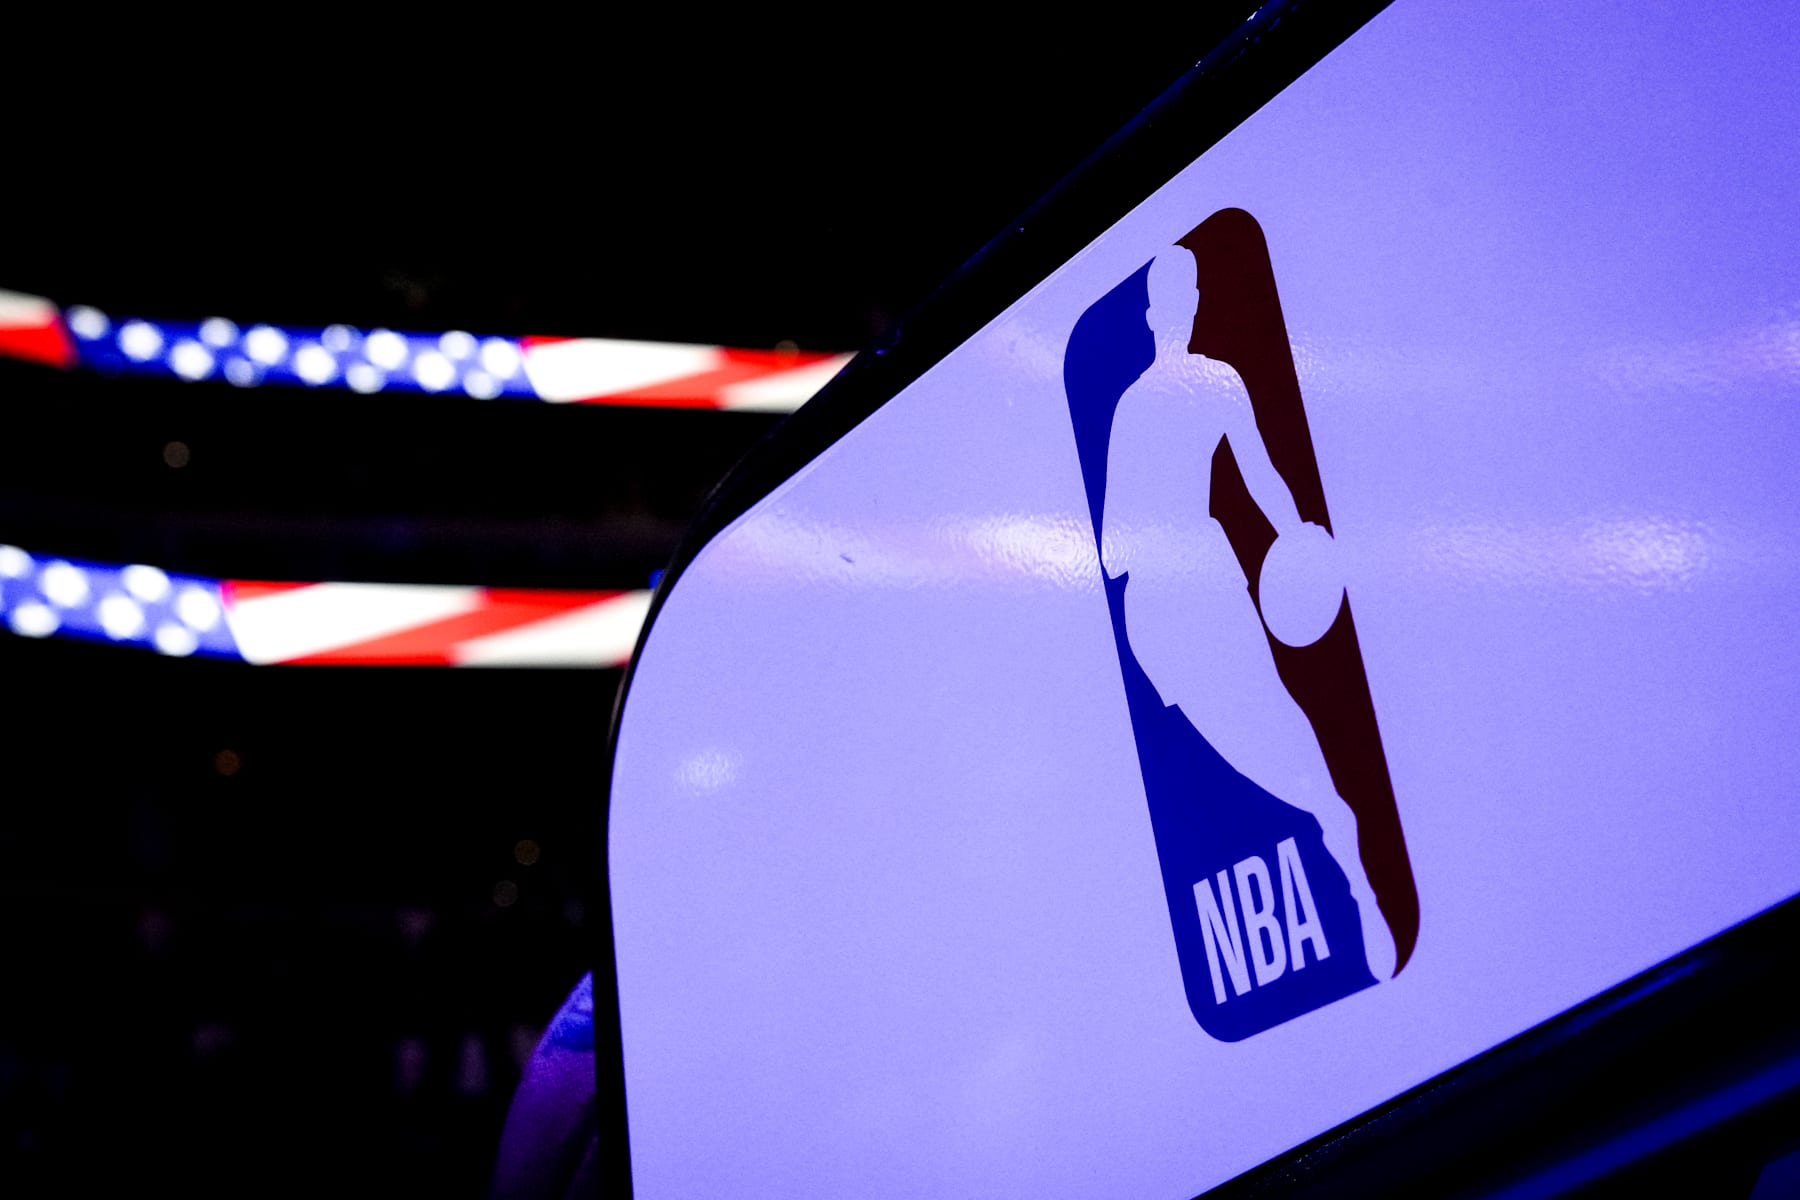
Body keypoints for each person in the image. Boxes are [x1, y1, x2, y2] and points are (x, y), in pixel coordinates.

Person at [1101, 248, 1395, 980]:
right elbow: (1264, 488)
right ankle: (1336, 837)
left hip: (1175, 606)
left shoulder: (1142, 403)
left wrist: (1299, 547)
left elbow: (1114, 552)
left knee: (1268, 742)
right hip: (1190, 597)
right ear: (1188, 306)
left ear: (1151, 315)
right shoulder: (1202, 388)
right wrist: (1298, 540)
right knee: (1277, 750)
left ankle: (1339, 845)